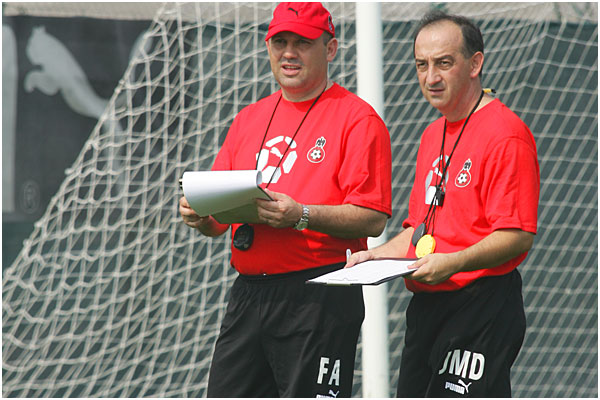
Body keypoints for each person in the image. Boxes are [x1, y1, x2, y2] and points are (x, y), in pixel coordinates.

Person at [179, 2, 392, 397]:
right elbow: (217, 223)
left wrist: (301, 215)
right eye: (280, 42)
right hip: (249, 294)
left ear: (330, 49)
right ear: (267, 47)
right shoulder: (249, 118)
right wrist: (199, 214)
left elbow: (372, 217)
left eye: (302, 43)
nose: (289, 53)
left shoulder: (358, 120)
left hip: (318, 294)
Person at [346, 10, 540, 397]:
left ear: (475, 64)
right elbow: (422, 231)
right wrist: (377, 255)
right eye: (422, 65)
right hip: (428, 308)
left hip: (481, 306)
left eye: (444, 63)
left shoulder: (506, 134)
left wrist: (452, 262)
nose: (431, 77)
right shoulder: (432, 134)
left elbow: (517, 234)